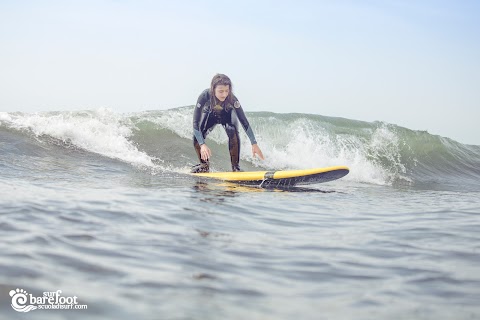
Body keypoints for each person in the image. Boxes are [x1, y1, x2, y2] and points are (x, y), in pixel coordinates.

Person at [191, 74, 264, 173]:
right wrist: (202, 144)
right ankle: (204, 165)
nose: (224, 95)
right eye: (220, 91)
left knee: (232, 130)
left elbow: (244, 121)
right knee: (197, 136)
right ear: (213, 89)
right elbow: (195, 123)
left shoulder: (232, 99)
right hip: (210, 115)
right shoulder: (204, 96)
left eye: (227, 91)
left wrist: (254, 143)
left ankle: (235, 168)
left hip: (227, 115)